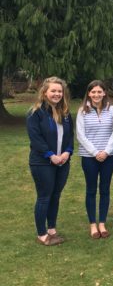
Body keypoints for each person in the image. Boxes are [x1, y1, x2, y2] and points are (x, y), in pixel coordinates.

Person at [27, 77, 73, 246]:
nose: (57, 94)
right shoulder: (35, 113)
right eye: (53, 91)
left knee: (55, 195)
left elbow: (69, 137)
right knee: (44, 197)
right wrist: (50, 155)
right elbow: (36, 139)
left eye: (59, 91)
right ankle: (42, 234)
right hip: (42, 162)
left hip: (62, 162)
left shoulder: (65, 113)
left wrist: (67, 152)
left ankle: (52, 229)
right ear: (45, 92)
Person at [76, 80, 113, 239]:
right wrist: (95, 152)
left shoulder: (112, 110)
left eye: (99, 92)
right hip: (89, 157)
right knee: (91, 189)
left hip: (109, 156)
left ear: (104, 93)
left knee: (105, 189)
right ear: (88, 93)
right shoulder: (82, 111)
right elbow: (81, 135)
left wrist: (106, 151)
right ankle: (93, 224)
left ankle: (102, 223)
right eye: (93, 92)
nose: (96, 95)